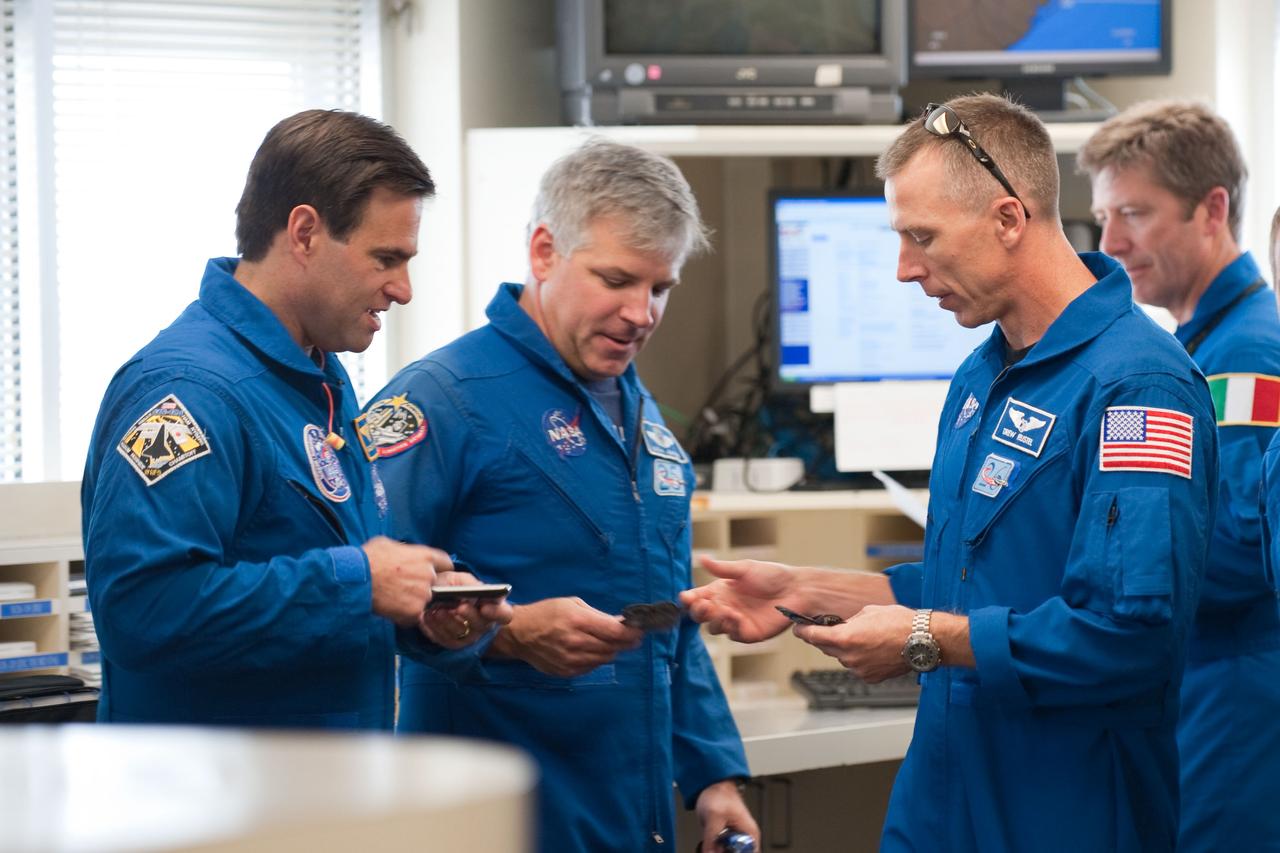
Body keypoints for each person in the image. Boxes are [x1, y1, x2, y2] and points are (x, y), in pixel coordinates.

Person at [681, 94, 1218, 852]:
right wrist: (809, 592)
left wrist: (926, 637)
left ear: (1007, 218)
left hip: (1068, 811)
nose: (904, 269)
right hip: (941, 798)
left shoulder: (1139, 387)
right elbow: (966, 588)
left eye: (922, 236)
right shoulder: (980, 379)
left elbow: (1129, 636)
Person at [363, 138, 756, 853]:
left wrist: (714, 774)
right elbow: (358, 599)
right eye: (617, 279)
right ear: (543, 251)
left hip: (629, 816)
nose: (641, 313)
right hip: (488, 817)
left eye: (660, 288)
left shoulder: (645, 419)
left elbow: (668, 617)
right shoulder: (441, 401)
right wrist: (507, 636)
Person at [81, 109, 508, 728]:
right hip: (213, 807)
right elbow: (143, 611)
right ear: (304, 232)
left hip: (321, 800)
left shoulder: (318, 378)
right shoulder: (185, 394)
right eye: (385, 257)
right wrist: (359, 583)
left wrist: (419, 611)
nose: (403, 288)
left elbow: (311, 595)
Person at [1077, 100, 1280, 852]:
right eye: (1103, 216)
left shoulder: (1245, 358)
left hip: (1234, 694)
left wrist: (1085, 565)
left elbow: (1232, 552)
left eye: (1134, 212)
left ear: (1212, 209)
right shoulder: (1200, 345)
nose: (1110, 242)